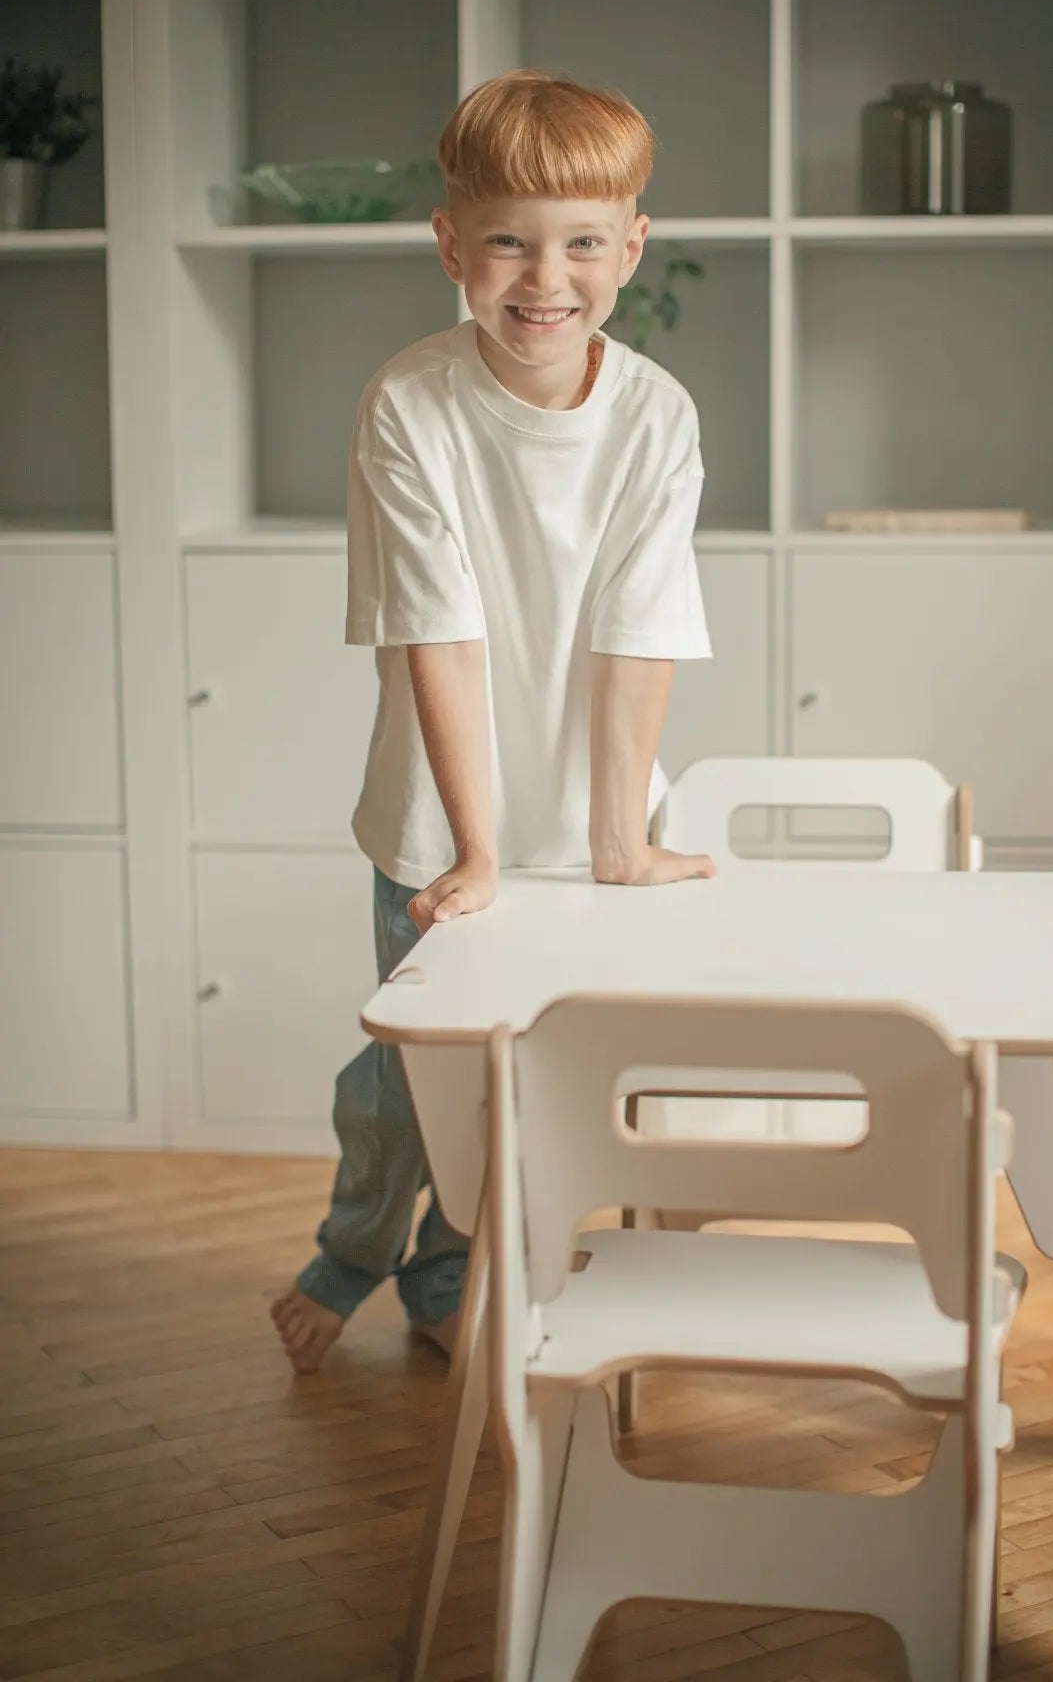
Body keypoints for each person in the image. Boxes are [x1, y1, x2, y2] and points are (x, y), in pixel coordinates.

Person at [270, 68, 715, 1375]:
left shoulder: (656, 418)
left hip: (591, 811)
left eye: (583, 242)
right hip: (435, 816)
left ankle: (445, 1278)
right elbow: (439, 636)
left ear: (631, 246)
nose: (546, 277)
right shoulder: (410, 406)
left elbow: (638, 638)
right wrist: (473, 851)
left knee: (527, 1084)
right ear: (451, 242)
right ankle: (348, 1255)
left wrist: (620, 839)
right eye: (510, 240)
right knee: (410, 1087)